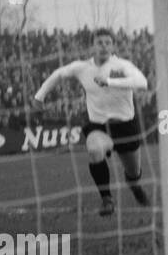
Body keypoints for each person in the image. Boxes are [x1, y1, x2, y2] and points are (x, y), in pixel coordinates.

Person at [33, 28, 150, 216]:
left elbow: (142, 82)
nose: (103, 46)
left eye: (108, 42)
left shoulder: (121, 65)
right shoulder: (82, 68)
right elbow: (58, 75)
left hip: (126, 126)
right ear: (91, 46)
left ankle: (135, 187)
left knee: (133, 173)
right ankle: (107, 200)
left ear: (113, 46)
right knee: (95, 150)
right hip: (99, 127)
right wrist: (39, 98)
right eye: (99, 42)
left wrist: (110, 81)